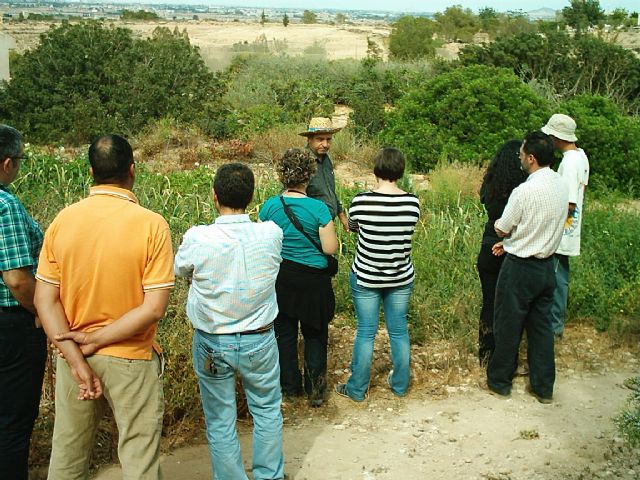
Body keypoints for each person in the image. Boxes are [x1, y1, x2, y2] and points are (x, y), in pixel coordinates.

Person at [35, 134, 175, 479]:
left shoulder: (62, 221)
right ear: (132, 170)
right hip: (131, 355)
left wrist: (75, 354)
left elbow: (44, 299)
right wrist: (98, 339)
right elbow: (153, 307)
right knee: (138, 457)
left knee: (67, 457)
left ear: (90, 172)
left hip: (73, 355)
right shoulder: (151, 224)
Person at [174, 163, 285, 480]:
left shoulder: (198, 237)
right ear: (252, 197)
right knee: (266, 410)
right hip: (259, 339)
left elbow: (179, 270)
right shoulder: (271, 233)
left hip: (213, 341)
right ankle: (269, 475)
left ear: (214, 196)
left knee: (221, 418)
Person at [483, 131, 568, 404]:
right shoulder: (560, 184)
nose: (519, 158)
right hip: (547, 266)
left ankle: (499, 381)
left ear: (531, 158)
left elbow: (502, 226)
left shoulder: (524, 190)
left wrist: (507, 240)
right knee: (541, 330)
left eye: (521, 154)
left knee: (508, 325)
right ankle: (543, 387)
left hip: (520, 267)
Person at [335, 148, 420, 402]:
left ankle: (357, 389)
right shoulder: (412, 203)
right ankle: (400, 386)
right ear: (400, 171)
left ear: (376, 170)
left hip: (366, 276)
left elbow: (352, 227)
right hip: (400, 276)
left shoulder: (361, 201)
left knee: (365, 332)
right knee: (398, 331)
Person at [259, 148, 338, 407]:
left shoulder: (270, 206)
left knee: (285, 335)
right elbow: (329, 249)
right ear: (308, 175)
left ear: (282, 174)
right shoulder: (318, 208)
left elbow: (262, 244)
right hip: (314, 281)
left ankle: (290, 389)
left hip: (282, 278)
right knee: (315, 335)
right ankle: (315, 391)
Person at [0, 125, 46, 480]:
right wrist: (44, 314)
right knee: (12, 423)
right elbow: (17, 279)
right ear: (6, 163)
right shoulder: (5, 205)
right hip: (10, 327)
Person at [476, 140, 527, 365]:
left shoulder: (491, 185)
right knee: (510, 307)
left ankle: (486, 354)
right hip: (513, 246)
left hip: (489, 246)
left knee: (489, 303)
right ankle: (508, 358)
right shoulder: (523, 189)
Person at [541, 113, 590, 339]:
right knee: (559, 275)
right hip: (570, 228)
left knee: (557, 278)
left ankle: (554, 326)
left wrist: (550, 223)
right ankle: (554, 323)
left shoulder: (569, 163)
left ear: (557, 137)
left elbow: (569, 202)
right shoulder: (581, 156)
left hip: (562, 230)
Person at [300, 117, 350, 231]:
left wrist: (342, 217)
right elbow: (291, 196)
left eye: (328, 139)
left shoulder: (326, 160)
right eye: (320, 139)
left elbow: (330, 191)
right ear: (309, 139)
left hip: (326, 224)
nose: (325, 144)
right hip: (310, 226)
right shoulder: (302, 162)